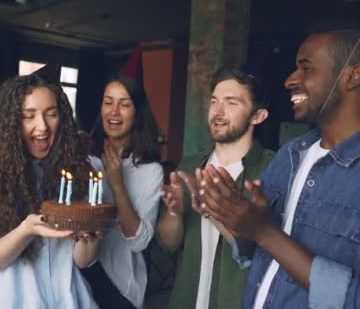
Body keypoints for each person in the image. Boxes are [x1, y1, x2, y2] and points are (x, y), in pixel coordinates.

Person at [199, 22, 360, 308]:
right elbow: (256, 253)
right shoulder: (289, 156)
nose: (289, 80)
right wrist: (239, 221)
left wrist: (265, 231)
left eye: (306, 68)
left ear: (353, 76)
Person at [0, 74, 100, 308]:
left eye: (51, 114)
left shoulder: (77, 171)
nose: (43, 126)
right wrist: (26, 230)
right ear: (11, 122)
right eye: (29, 116)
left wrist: (90, 238)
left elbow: (82, 261)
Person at [156, 69, 273, 309]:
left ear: (258, 116)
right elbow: (168, 244)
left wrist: (213, 210)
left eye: (231, 103)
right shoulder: (190, 166)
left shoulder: (272, 170)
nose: (217, 112)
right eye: (214, 102)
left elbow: (267, 254)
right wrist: (175, 213)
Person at [83, 74, 164, 309]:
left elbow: (139, 243)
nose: (114, 111)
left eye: (124, 104)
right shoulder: (85, 159)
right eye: (108, 102)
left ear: (137, 112)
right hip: (77, 280)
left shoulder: (150, 170)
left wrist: (118, 184)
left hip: (119, 288)